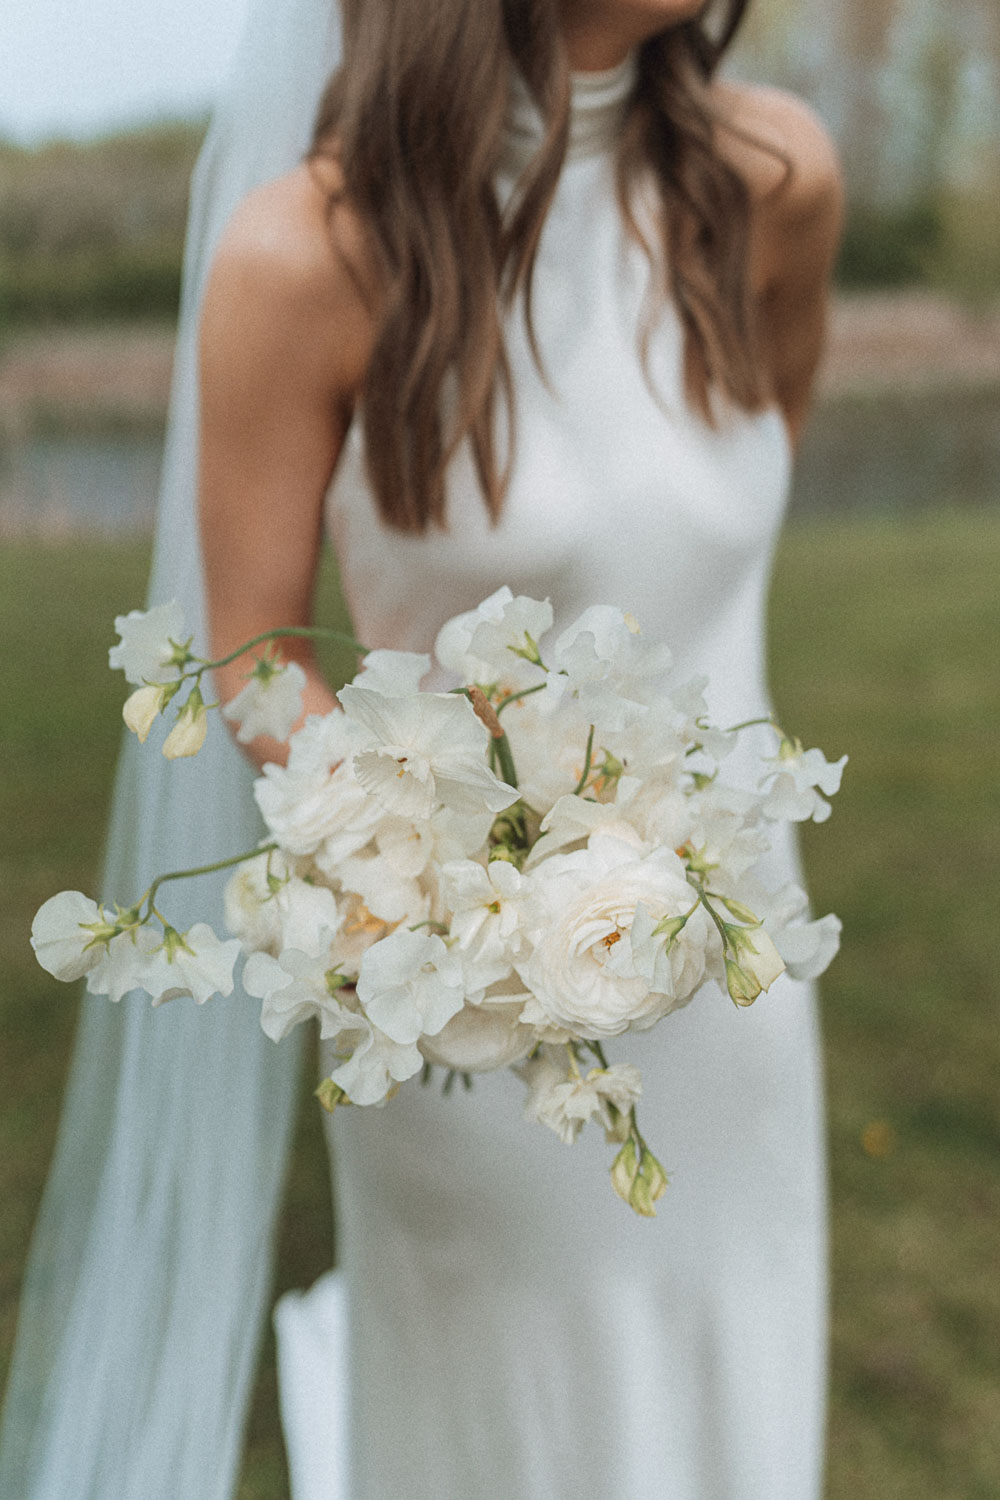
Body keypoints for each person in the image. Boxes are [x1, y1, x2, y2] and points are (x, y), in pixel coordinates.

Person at [1, 1, 842, 1497]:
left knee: (730, 1362)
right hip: (476, 999)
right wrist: (446, 894)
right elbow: (252, 654)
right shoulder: (307, 258)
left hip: (740, 976)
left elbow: (740, 492)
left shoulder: (774, 179)